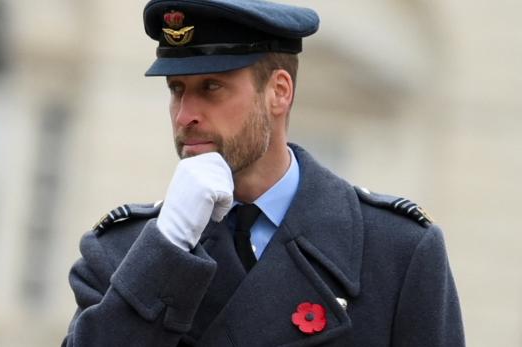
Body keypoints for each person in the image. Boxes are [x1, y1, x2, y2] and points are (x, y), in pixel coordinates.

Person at [62, 0, 465, 346]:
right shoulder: (122, 252)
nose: (186, 116)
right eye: (176, 89)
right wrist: (168, 246)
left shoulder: (397, 252)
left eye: (212, 88)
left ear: (279, 92)